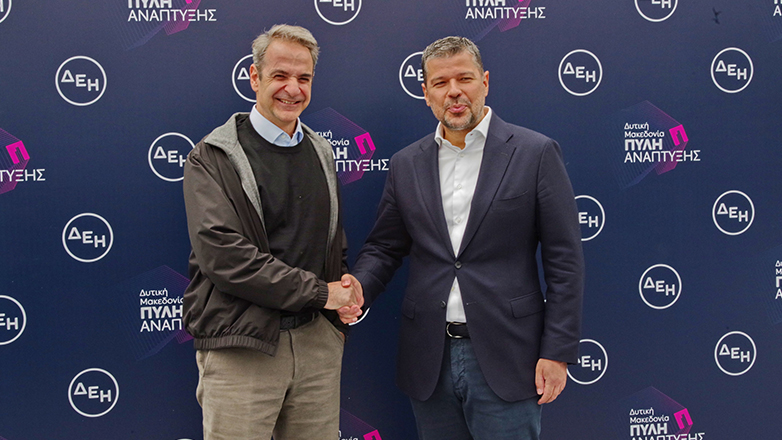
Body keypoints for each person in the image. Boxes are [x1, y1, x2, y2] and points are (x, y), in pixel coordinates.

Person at [348, 36, 584, 440]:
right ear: (426, 93)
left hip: (509, 356)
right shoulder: (406, 164)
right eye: (440, 83)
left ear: (485, 82)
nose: (454, 91)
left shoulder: (535, 153)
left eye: (464, 79)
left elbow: (565, 261)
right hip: (430, 359)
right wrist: (359, 287)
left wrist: (557, 351)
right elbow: (385, 246)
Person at [182, 24, 362, 440]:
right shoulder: (213, 156)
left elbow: (331, 240)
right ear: (254, 77)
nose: (292, 89)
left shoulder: (321, 151)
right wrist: (323, 293)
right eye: (280, 75)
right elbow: (225, 257)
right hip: (242, 347)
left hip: (317, 343)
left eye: (304, 78)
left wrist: (342, 292)